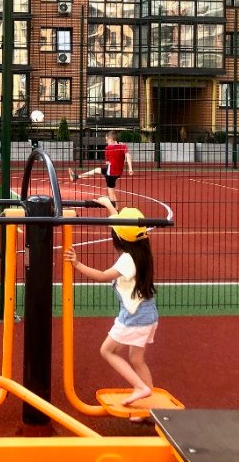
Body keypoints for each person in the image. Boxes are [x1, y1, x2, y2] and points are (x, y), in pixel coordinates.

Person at [64, 196, 157, 409]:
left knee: (107, 351)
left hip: (134, 316)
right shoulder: (142, 250)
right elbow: (121, 226)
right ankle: (149, 405)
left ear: (120, 238)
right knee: (136, 360)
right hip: (148, 314)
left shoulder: (127, 260)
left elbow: (102, 276)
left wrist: (77, 264)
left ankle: (140, 388)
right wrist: (108, 205)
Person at [68, 130, 133, 205]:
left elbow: (107, 162)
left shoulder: (108, 148)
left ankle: (115, 209)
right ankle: (76, 177)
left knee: (111, 192)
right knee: (96, 170)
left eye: (107, 140)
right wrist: (130, 168)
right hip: (118, 172)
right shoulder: (123, 146)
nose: (106, 142)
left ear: (111, 140)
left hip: (111, 173)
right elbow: (128, 156)